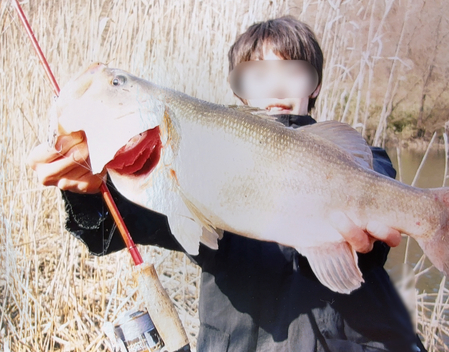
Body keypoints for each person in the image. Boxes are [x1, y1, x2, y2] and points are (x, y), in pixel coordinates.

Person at [28, 16, 426, 352]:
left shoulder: (364, 158)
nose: (276, 86)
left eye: (292, 70)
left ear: (315, 84)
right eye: (257, 74)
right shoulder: (197, 158)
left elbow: (375, 206)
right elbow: (129, 223)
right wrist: (89, 192)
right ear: (237, 89)